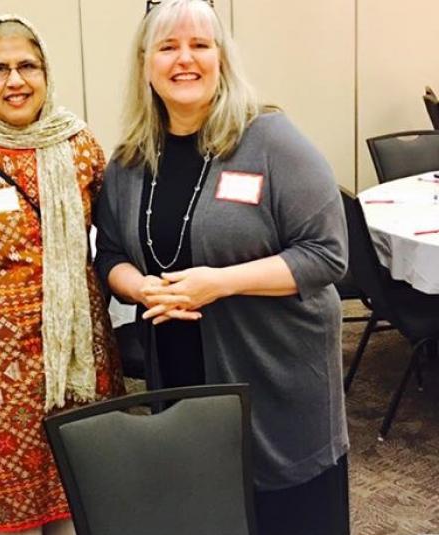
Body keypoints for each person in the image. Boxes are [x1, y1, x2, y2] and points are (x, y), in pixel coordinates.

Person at [94, 1, 350, 534]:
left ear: (222, 58)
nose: (184, 59)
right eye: (167, 47)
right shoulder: (129, 161)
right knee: (205, 508)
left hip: (276, 381)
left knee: (286, 516)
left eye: (199, 45)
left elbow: (327, 254)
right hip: (183, 377)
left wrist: (219, 284)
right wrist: (140, 288)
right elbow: (111, 255)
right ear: (145, 63)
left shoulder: (271, 141)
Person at [0, 15, 123, 535]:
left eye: (27, 65)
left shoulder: (81, 150)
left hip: (80, 370)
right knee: (11, 525)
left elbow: (117, 242)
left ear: (46, 72)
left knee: (78, 504)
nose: (16, 81)